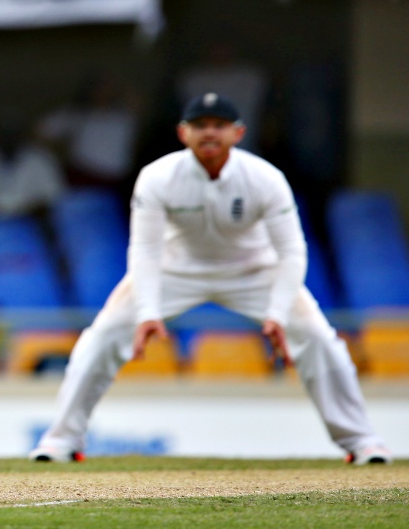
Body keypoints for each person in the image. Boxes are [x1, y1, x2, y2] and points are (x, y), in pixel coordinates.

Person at [28, 93, 391, 466]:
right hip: (176, 269)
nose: (209, 133)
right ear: (183, 133)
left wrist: (278, 314)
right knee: (102, 336)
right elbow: (146, 251)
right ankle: (61, 440)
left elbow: (292, 252)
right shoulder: (158, 177)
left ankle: (362, 442)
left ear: (238, 132)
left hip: (252, 271)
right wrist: (149, 312)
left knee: (318, 338)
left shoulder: (265, 178)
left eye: (219, 125)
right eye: (200, 125)